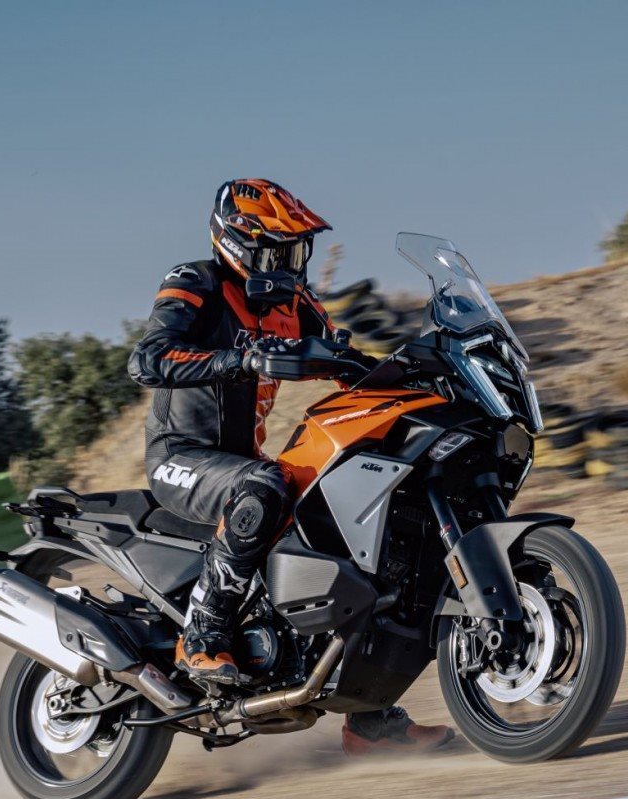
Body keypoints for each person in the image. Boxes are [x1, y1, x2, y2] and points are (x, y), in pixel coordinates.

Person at [127, 178, 454, 758]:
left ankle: (368, 717)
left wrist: (420, 375)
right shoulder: (195, 283)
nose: (290, 264)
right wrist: (243, 358)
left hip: (242, 465)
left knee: (349, 528)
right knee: (265, 483)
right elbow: (148, 359)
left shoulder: (294, 307)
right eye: (278, 250)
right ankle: (201, 636)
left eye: (296, 250)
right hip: (181, 457)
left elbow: (347, 364)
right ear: (238, 243)